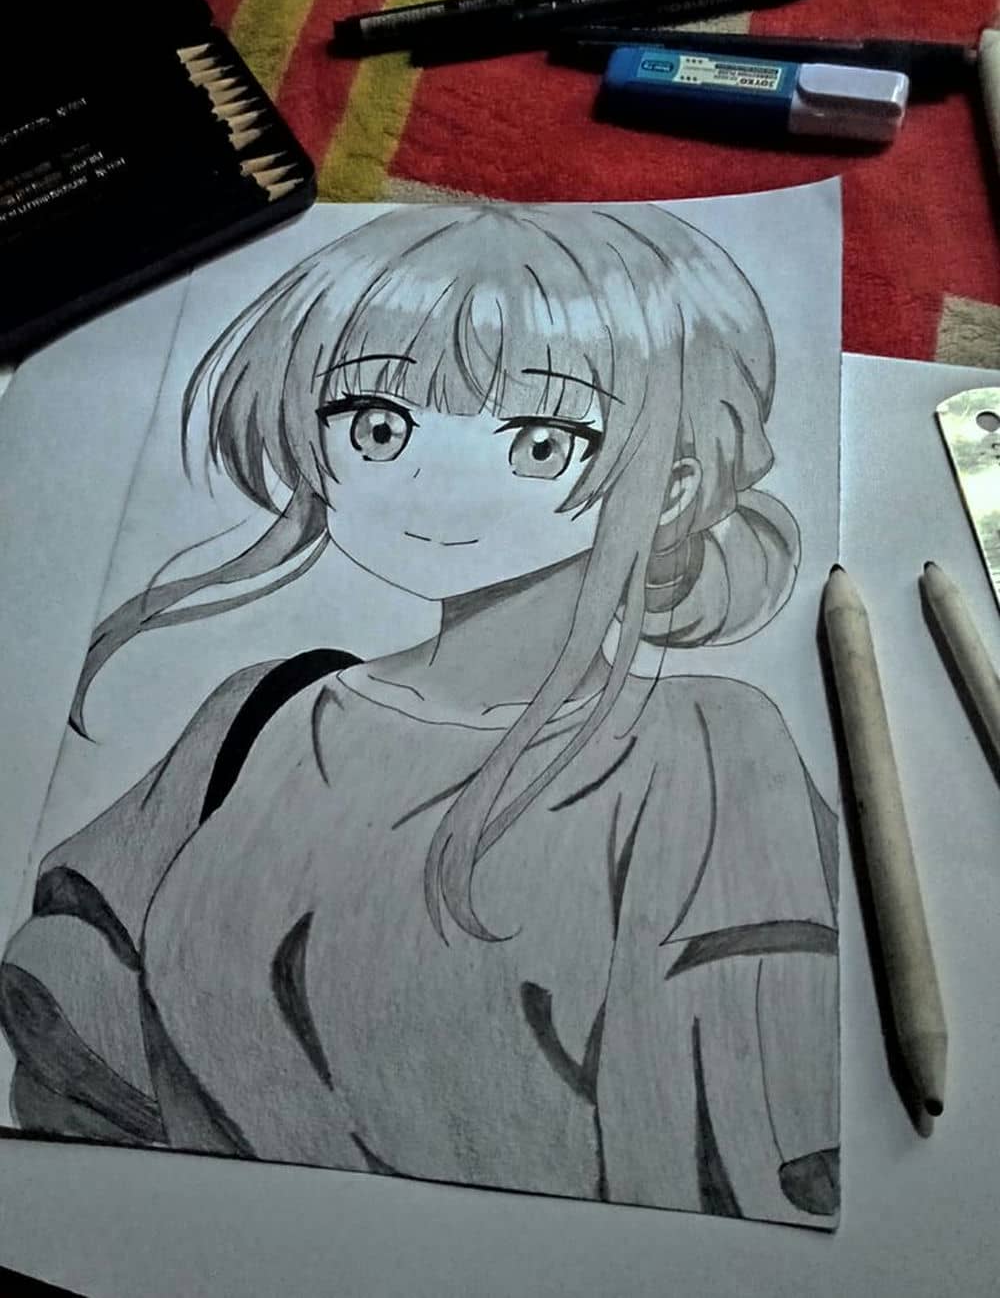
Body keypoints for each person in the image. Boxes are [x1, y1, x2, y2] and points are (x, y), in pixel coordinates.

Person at [0, 203, 839, 1225]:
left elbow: (751, 1141)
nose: (436, 483)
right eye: (378, 425)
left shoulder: (705, 748)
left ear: (670, 486)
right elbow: (75, 1004)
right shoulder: (263, 709)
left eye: (541, 440)